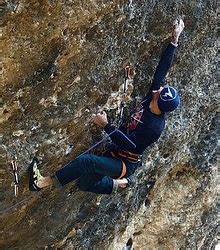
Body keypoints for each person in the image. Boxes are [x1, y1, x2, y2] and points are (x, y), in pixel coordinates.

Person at [29, 19, 185, 194]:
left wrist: (105, 124)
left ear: (160, 104)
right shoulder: (153, 96)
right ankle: (121, 184)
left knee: (86, 162)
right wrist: (174, 40)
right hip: (115, 154)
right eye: (161, 88)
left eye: (160, 92)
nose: (158, 89)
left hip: (124, 163)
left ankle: (41, 183)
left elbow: (128, 144)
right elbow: (162, 69)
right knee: (84, 184)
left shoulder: (154, 128)